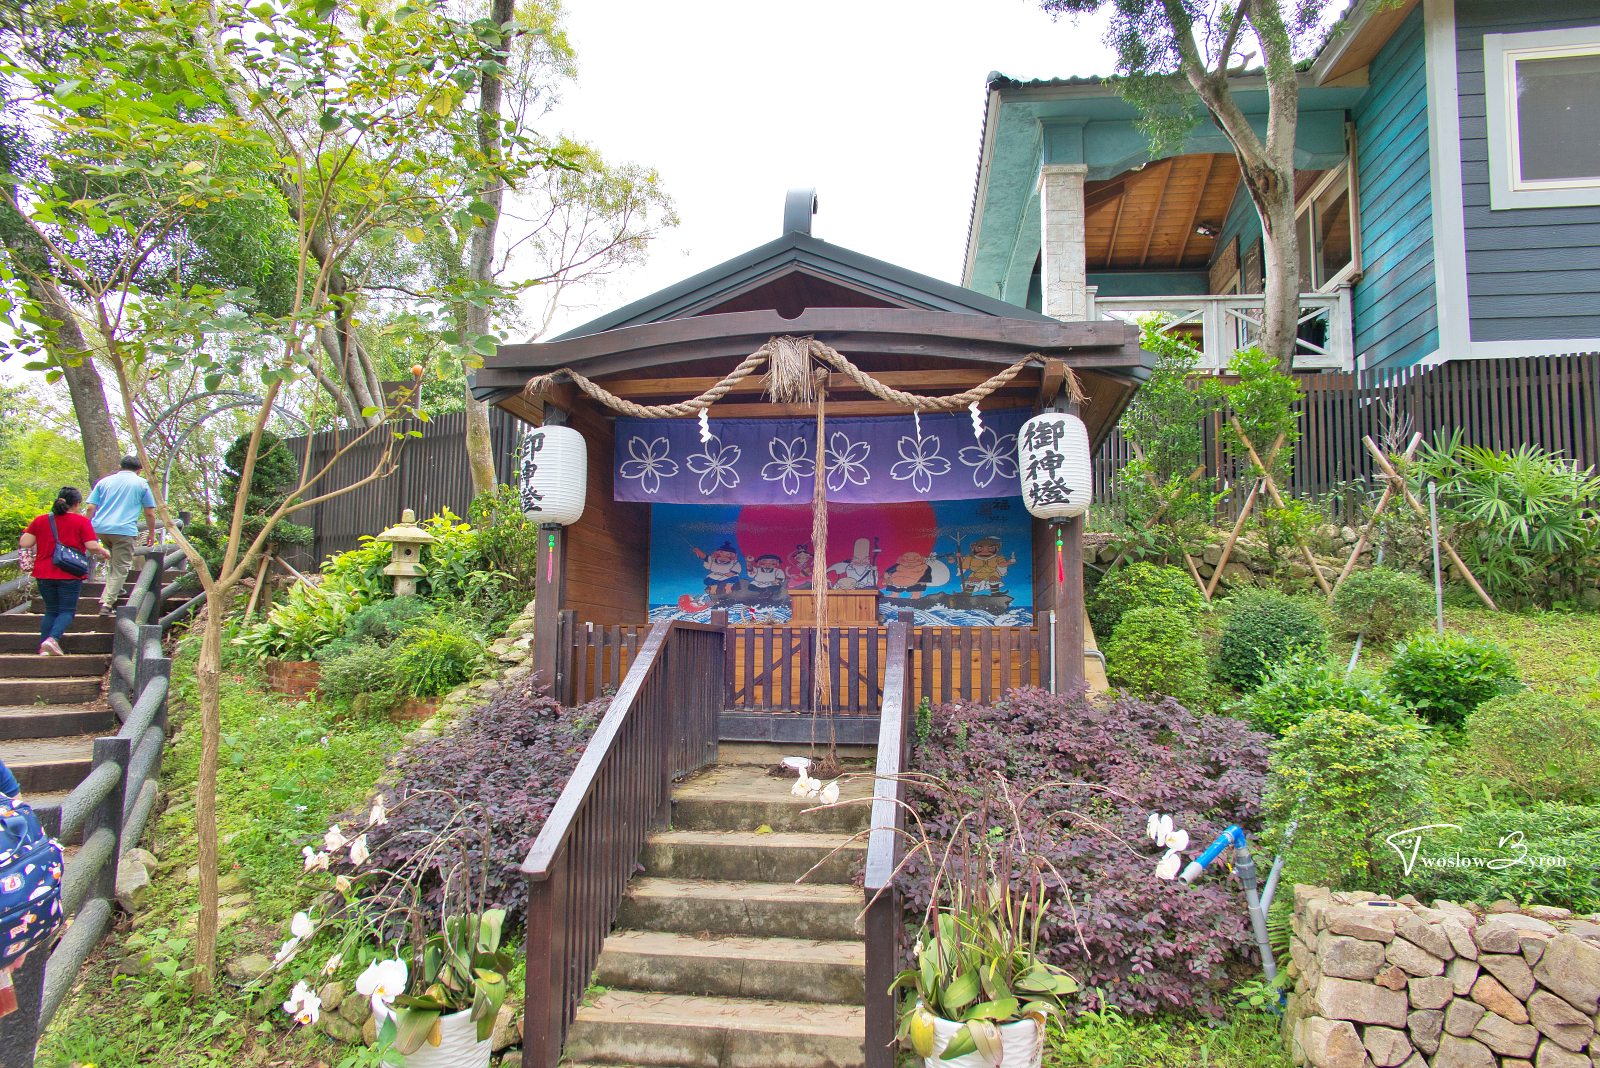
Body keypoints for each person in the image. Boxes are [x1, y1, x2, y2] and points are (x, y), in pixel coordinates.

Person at [17, 487, 110, 656]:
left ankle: (44, 648)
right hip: (69, 572)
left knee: (51, 610)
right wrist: (104, 551)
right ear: (76, 504)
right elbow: (91, 546)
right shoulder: (81, 522)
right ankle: (52, 639)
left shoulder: (41, 520)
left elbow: (25, 542)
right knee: (67, 610)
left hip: (44, 572)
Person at [84, 455, 157, 617]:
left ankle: (118, 588)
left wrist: (84, 527)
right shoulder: (141, 484)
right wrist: (151, 533)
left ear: (120, 466)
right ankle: (107, 603)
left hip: (101, 528)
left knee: (114, 562)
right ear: (139, 470)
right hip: (123, 530)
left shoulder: (104, 482)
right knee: (121, 566)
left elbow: (90, 507)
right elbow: (149, 513)